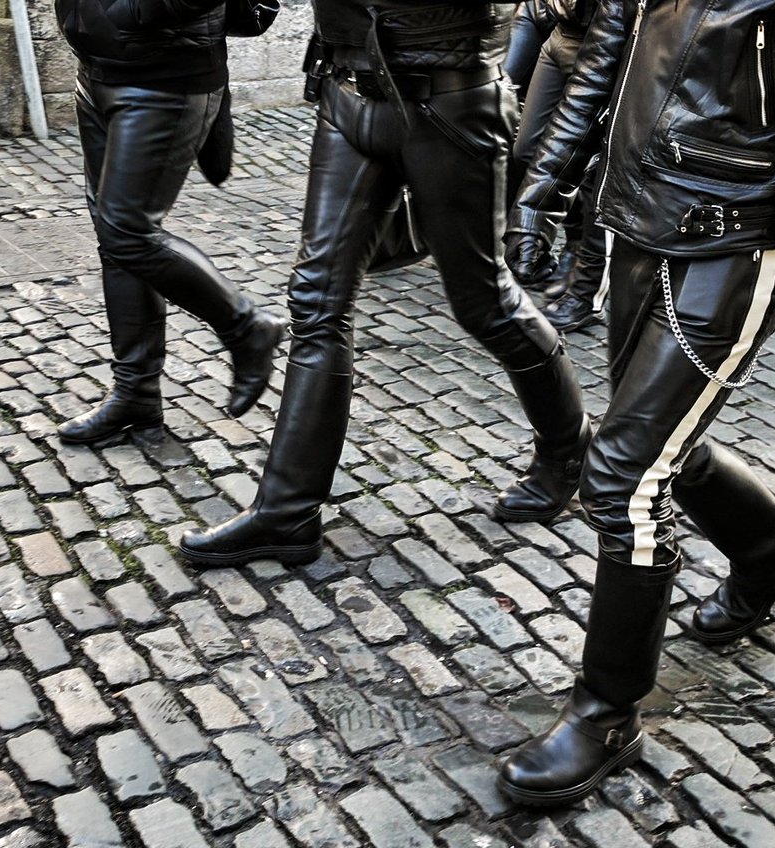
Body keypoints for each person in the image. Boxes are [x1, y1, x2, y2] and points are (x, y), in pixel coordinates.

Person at [496, 0, 775, 807]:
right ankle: (772, 554)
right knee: (658, 446)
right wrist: (542, 185)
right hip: (636, 219)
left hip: (736, 241)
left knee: (620, 476)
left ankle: (606, 712)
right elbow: (609, 50)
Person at [180, 1, 590, 568]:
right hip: (348, 92)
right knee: (316, 299)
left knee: (484, 303)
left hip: (449, 103)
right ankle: (287, 513)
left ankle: (568, 448)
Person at [53, 0, 285, 445]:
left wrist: (122, 12)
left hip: (165, 80)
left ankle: (247, 327)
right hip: (99, 70)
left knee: (127, 231)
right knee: (116, 241)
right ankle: (135, 394)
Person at [509, 0, 610, 333]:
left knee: (592, 164)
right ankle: (563, 237)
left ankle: (582, 268)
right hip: (558, 32)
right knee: (527, 149)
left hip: (606, 46)